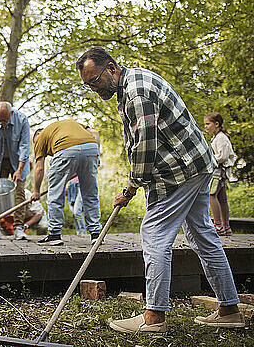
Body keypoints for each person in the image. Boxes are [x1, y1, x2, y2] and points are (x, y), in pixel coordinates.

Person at [76, 47, 244, 333]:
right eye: (88, 85)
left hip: (181, 171)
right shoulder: (131, 86)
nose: (94, 88)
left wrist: (131, 186)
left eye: (95, 81)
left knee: (154, 235)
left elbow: (145, 144)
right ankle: (229, 309)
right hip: (195, 165)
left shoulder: (137, 92)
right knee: (202, 236)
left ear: (112, 68)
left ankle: (154, 317)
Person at [30, 120, 102, 245]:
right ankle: (96, 234)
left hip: (65, 150)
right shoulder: (68, 125)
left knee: (55, 194)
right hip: (91, 147)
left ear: (37, 135)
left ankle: (54, 235)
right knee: (90, 193)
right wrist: (96, 155)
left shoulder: (40, 137)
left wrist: (36, 191)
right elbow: (95, 132)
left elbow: (39, 168)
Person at [0, 102, 31, 240]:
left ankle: (19, 228)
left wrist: (20, 169)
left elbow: (25, 146)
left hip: (18, 161)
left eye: (5, 120)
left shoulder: (22, 119)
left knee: (20, 194)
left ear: (11, 114)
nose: (2, 123)